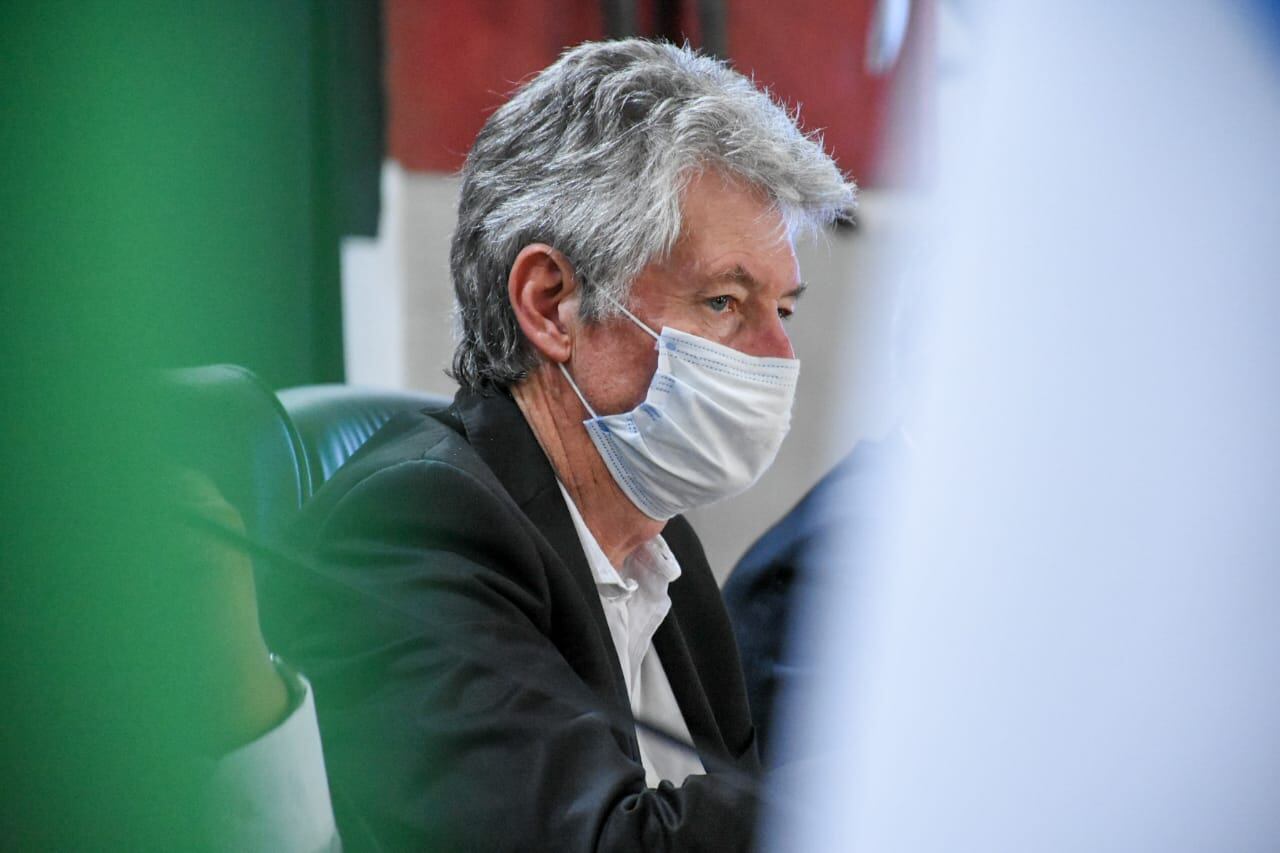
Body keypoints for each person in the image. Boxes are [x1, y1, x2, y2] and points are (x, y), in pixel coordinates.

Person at [264, 38, 854, 850]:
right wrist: (901, 770)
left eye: (782, 311)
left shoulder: (663, 553)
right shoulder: (411, 531)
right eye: (724, 301)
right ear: (550, 304)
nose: (778, 357)